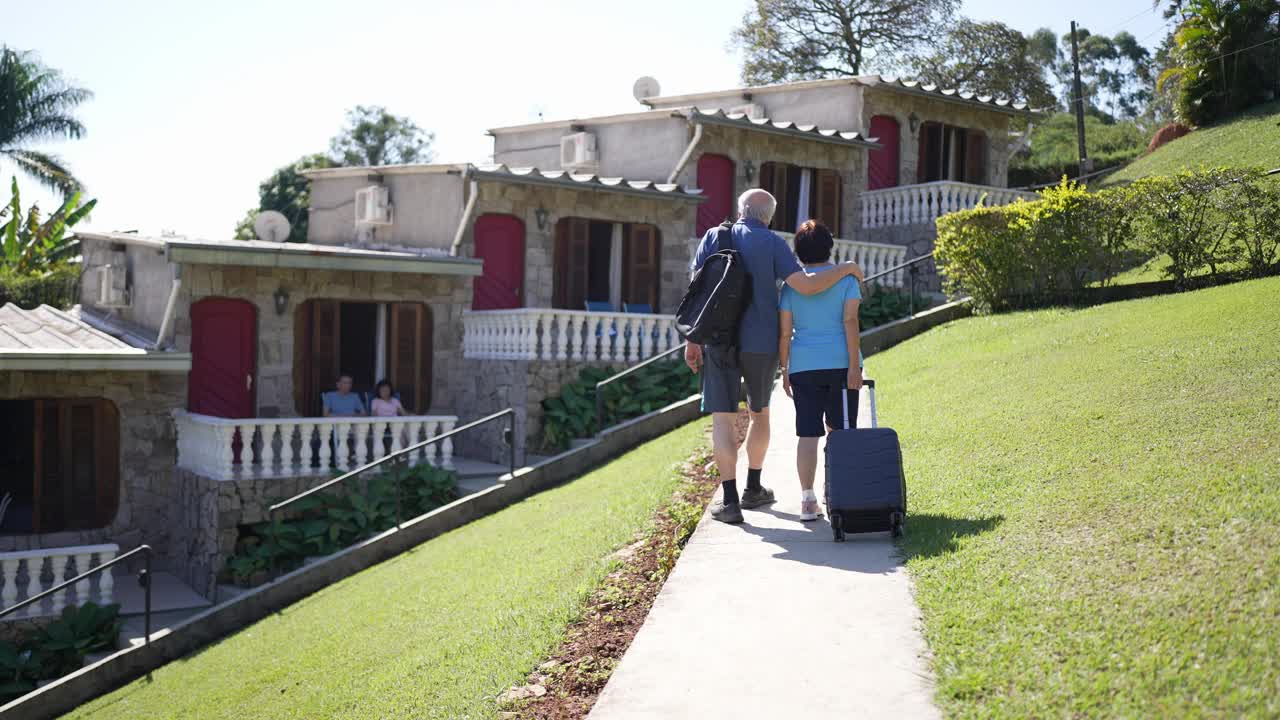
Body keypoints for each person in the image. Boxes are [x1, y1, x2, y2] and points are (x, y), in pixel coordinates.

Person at [687, 189, 864, 524]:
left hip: (717, 340)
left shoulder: (714, 236)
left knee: (722, 420)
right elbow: (807, 285)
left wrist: (692, 340)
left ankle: (729, 501)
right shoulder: (772, 242)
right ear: (768, 216)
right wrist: (847, 268)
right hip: (761, 341)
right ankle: (754, 487)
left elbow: (695, 289)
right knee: (759, 415)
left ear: (740, 210)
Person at [778, 221, 863, 521]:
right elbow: (850, 323)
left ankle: (807, 500)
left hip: (803, 366)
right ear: (830, 247)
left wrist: (785, 368)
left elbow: (785, 333)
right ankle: (839, 492)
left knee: (807, 434)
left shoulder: (792, 285)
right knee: (840, 432)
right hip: (841, 364)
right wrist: (855, 366)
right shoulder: (847, 279)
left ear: (798, 252)